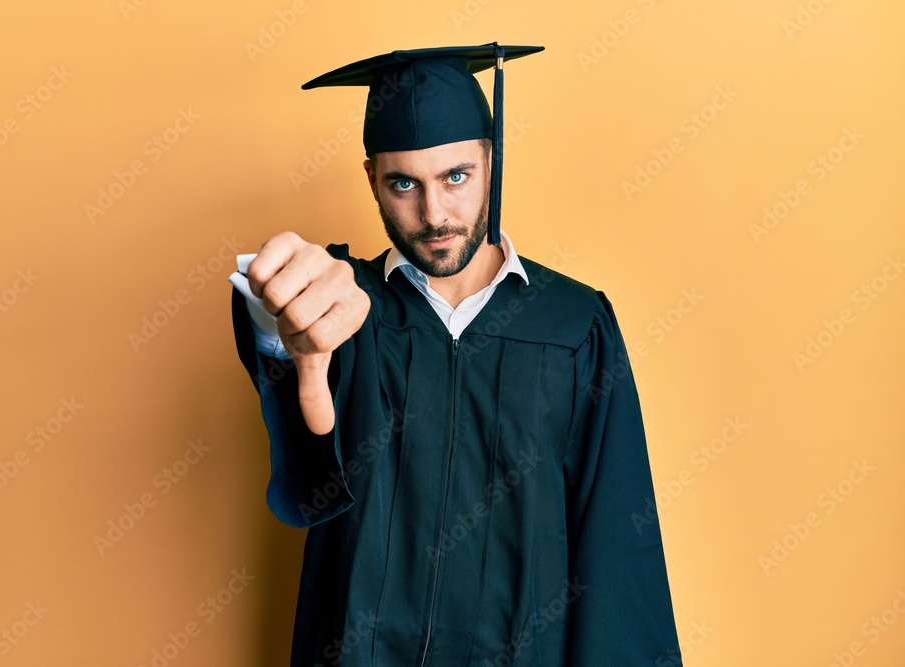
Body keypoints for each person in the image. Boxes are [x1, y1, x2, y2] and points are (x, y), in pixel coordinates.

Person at [230, 43, 683, 666]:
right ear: (372, 180)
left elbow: (615, 541)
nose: (434, 213)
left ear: (492, 162)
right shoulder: (345, 309)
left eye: (457, 176)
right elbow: (306, 461)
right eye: (403, 184)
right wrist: (277, 316)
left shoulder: (575, 325)